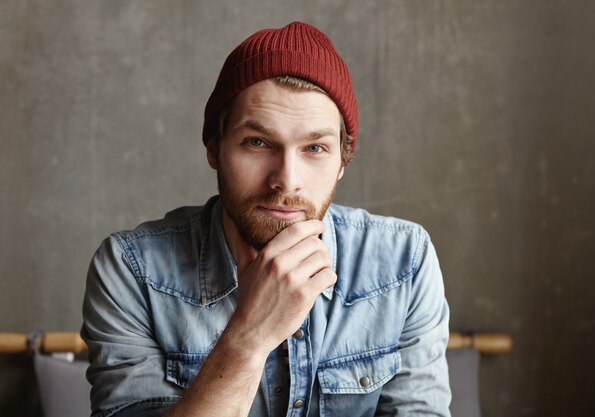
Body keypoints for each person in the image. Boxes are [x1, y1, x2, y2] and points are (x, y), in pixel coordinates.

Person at [81, 21, 451, 417]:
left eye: (315, 148)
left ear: (342, 161)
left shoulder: (402, 262)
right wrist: (249, 337)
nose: (286, 181)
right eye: (257, 143)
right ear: (213, 149)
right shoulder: (132, 270)